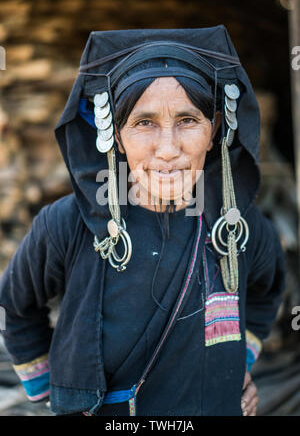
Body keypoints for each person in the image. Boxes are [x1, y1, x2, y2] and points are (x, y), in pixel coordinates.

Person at [0, 26, 285, 416]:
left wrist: (241, 365)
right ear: (115, 135)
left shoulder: (238, 230)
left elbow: (267, 293)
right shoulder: (68, 225)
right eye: (144, 123)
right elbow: (13, 307)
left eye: (188, 120)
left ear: (214, 129)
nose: (167, 150)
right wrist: (62, 390)